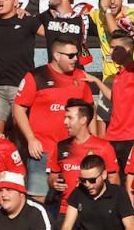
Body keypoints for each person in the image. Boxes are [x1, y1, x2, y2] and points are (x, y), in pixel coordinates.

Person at [13, 37, 94, 202]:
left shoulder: (81, 77)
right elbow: (18, 108)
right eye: (70, 56)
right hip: (42, 152)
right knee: (38, 200)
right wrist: (31, 139)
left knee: (73, 201)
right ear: (57, 56)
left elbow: (90, 112)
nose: (75, 59)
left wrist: (94, 142)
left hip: (72, 153)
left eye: (76, 55)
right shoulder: (36, 76)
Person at [48, 99, 119, 230]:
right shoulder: (61, 146)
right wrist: (54, 183)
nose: (65, 122)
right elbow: (52, 176)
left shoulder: (103, 147)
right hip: (66, 211)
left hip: (95, 212)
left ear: (83, 120)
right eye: (65, 118)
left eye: (69, 118)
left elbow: (114, 180)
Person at [56, 154, 134, 230]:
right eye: (83, 180)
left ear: (104, 175)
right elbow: (67, 227)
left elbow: (131, 229)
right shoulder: (78, 193)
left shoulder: (118, 193)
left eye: (92, 180)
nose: (87, 184)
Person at [0, 0, 40, 132]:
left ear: (16, 1)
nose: (0, 0)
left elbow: (52, 34)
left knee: (21, 132)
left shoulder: (27, 21)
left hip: (21, 87)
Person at [92, 31, 134, 172]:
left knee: (132, 180)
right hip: (114, 135)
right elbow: (115, 99)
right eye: (110, 47)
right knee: (113, 178)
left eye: (115, 48)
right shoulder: (118, 74)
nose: (111, 51)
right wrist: (96, 81)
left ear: (128, 50)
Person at [88, 0, 134, 84]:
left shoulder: (131, 15)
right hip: (108, 79)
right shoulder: (98, 15)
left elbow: (117, 35)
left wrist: (107, 10)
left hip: (130, 77)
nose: (113, 2)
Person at [37, 0, 91, 65]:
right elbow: (26, 22)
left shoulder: (83, 18)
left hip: (77, 76)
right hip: (53, 76)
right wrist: (20, 11)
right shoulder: (46, 16)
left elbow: (112, 31)